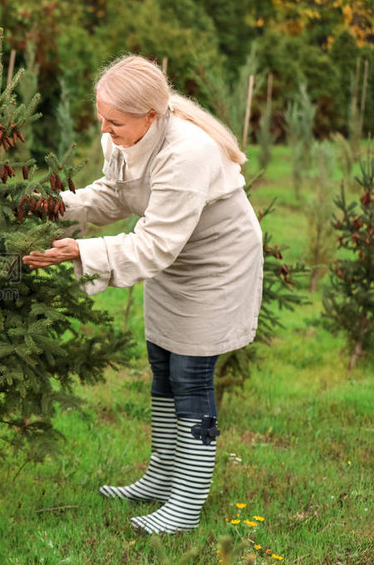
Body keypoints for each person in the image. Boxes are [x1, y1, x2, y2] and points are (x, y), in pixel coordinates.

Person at [22, 55, 263, 534]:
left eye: (116, 122)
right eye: (102, 120)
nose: (106, 131)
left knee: (191, 374)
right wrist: (50, 206)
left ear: (151, 115)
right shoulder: (123, 137)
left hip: (214, 262)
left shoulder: (187, 150)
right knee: (162, 363)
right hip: (174, 256)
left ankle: (187, 503)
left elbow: (154, 244)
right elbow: (115, 196)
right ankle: (161, 476)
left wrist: (81, 252)